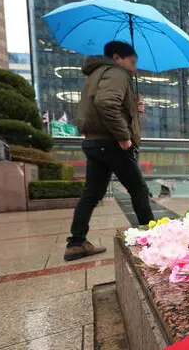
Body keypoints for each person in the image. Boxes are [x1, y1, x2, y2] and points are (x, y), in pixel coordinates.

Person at [64, 41, 154, 261]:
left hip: (95, 142)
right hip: (111, 143)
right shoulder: (117, 73)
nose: (134, 68)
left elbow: (103, 104)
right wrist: (124, 137)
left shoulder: (97, 73)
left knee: (92, 194)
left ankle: (76, 243)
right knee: (139, 190)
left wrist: (133, 107)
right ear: (117, 57)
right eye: (132, 62)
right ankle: (154, 239)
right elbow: (106, 103)